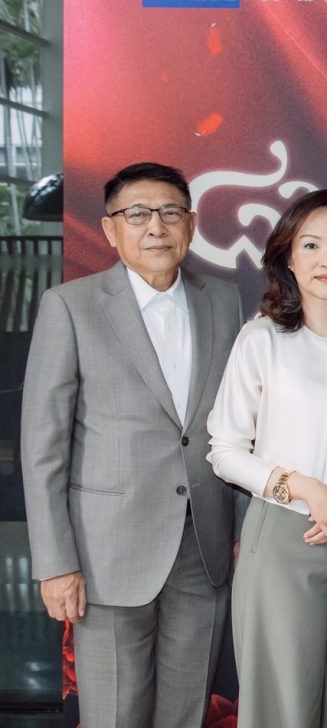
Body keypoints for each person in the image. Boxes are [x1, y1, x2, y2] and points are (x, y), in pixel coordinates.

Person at [20, 162, 243, 727]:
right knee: (114, 715)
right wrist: (55, 563)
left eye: (170, 212)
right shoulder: (70, 306)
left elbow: (241, 427)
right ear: (110, 229)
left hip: (203, 547)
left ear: (191, 224)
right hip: (106, 556)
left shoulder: (224, 301)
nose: (155, 227)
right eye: (137, 214)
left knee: (186, 713)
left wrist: (240, 531)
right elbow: (43, 449)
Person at [206, 190, 327, 727]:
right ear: (288, 257)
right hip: (283, 534)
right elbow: (224, 449)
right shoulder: (260, 339)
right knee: (281, 707)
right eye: (311, 245)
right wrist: (305, 489)